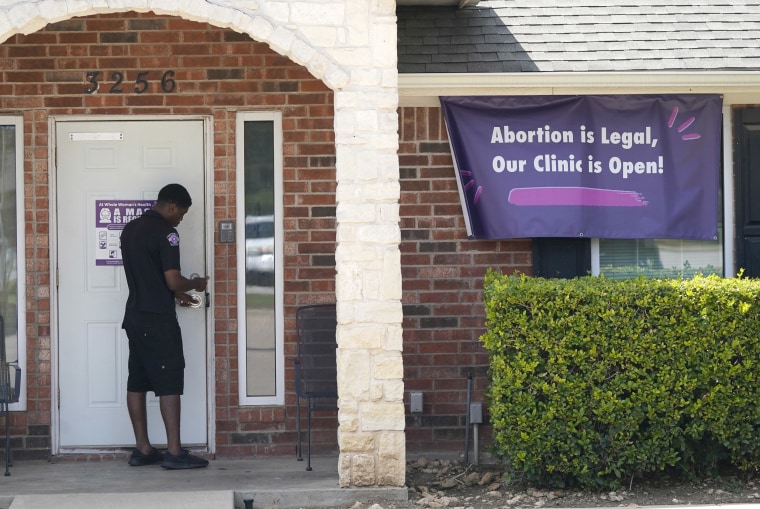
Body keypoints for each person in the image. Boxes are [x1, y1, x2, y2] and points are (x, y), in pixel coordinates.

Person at [120, 183, 209, 470]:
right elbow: (171, 278)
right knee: (169, 380)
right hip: (157, 319)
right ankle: (173, 452)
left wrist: (176, 295)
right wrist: (195, 284)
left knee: (137, 381)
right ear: (172, 206)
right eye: (181, 213)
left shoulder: (130, 229)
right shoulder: (167, 233)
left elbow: (148, 275)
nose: (181, 218)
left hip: (134, 316)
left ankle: (143, 449)